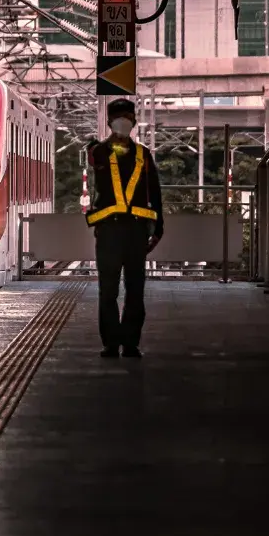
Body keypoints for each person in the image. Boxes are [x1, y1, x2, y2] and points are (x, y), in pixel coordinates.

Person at [85, 99, 163, 359]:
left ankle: (130, 343)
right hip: (108, 231)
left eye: (127, 117)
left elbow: (156, 191)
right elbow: (101, 163)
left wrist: (158, 227)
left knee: (135, 289)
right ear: (109, 122)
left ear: (134, 121)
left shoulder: (143, 154)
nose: (123, 121)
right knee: (108, 290)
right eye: (118, 117)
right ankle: (110, 343)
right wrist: (99, 147)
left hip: (136, 232)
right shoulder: (99, 152)